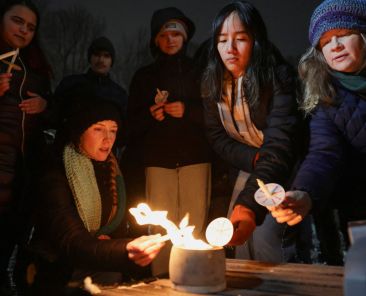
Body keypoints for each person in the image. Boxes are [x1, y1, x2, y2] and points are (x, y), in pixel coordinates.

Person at [27, 98, 165, 295]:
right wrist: (124, 249)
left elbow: (117, 228)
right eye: (98, 129)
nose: (108, 139)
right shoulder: (55, 171)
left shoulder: (112, 170)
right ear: (79, 132)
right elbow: (70, 241)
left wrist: (123, 245)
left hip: (102, 267)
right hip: (61, 272)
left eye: (113, 130)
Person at [202, 1, 304, 262]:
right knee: (238, 238)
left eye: (241, 39)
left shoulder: (278, 77)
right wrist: (253, 158)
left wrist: (249, 205)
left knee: (266, 237)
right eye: (222, 40)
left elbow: (281, 146)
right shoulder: (212, 83)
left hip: (285, 166)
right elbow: (217, 136)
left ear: (256, 41)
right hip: (252, 166)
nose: (230, 49)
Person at [268, 0, 366, 264]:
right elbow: (324, 154)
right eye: (325, 41)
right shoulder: (328, 97)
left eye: (343, 35)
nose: (334, 45)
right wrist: (304, 193)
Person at [127, 7, 211, 275]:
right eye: (164, 34)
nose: (171, 39)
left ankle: (193, 278)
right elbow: (129, 124)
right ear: (155, 40)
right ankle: (161, 281)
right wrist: (150, 115)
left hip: (195, 160)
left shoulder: (200, 72)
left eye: (176, 33)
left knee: (193, 226)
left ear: (185, 38)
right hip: (157, 162)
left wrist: (188, 111)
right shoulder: (143, 76)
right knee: (162, 229)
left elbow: (215, 116)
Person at [0, 0, 52, 291]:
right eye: (17, 21)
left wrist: (46, 105)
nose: (24, 30)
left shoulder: (36, 68)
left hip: (22, 174)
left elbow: (56, 114)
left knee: (10, 245)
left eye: (31, 27)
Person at [53, 36, 128, 158]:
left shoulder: (119, 93)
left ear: (111, 61)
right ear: (90, 58)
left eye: (106, 56)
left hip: (104, 156)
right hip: (69, 154)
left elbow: (124, 132)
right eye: (97, 55)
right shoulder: (71, 84)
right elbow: (55, 115)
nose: (101, 59)